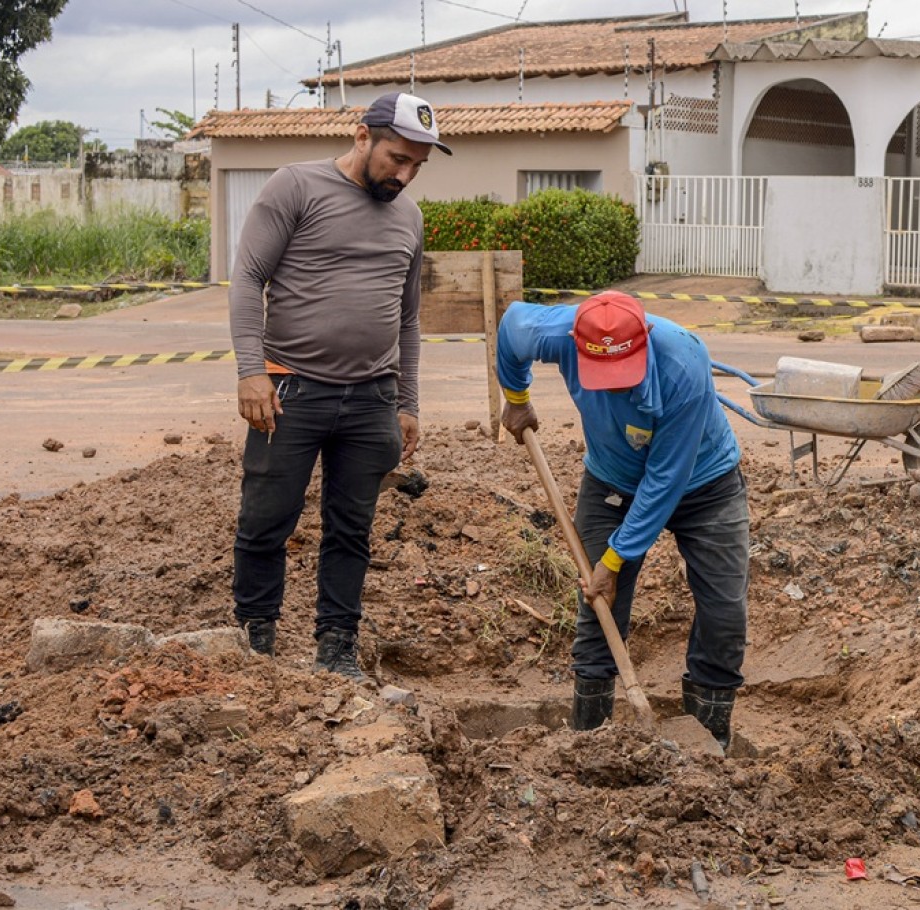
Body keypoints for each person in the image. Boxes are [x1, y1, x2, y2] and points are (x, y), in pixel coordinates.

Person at [228, 92, 450, 680]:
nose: (404, 176)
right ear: (361, 137)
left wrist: (408, 403)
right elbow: (248, 278)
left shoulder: (409, 217)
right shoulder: (295, 187)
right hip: (289, 392)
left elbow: (407, 317)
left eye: (416, 167)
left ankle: (336, 647)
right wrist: (251, 370)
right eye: (397, 159)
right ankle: (255, 642)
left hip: (372, 397)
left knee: (351, 529)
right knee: (266, 518)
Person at [496, 292, 750, 748]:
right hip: (612, 480)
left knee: (724, 610)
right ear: (576, 344)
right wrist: (516, 396)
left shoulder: (684, 362)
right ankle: (587, 743)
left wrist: (615, 557)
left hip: (703, 481)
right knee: (599, 606)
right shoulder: (552, 332)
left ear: (646, 340)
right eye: (603, 375)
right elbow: (511, 327)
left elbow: (665, 480)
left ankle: (710, 744)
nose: (614, 386)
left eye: (623, 373)